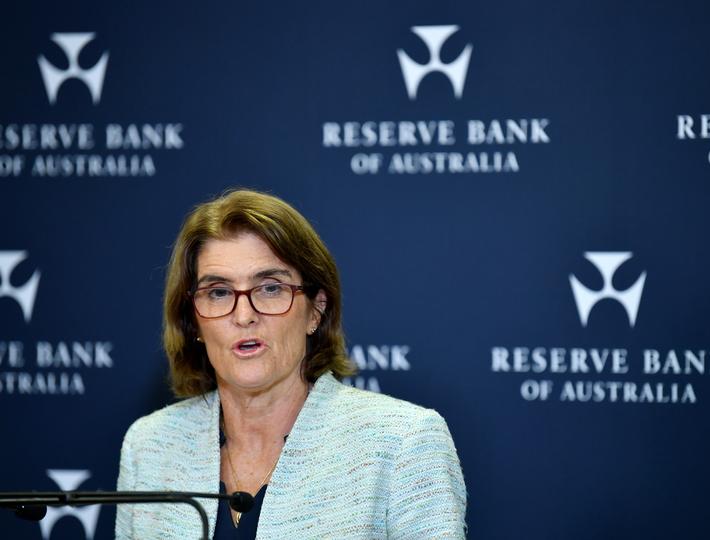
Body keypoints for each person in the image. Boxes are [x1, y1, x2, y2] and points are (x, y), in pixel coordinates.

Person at [115, 189, 467, 539]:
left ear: (316, 309)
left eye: (270, 288)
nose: (243, 315)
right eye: (219, 292)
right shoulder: (149, 446)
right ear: (194, 323)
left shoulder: (403, 442)